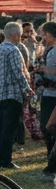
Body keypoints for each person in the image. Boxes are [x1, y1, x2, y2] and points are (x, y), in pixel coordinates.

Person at [0, 22, 32, 170]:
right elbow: (18, 73)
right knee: (9, 130)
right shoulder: (13, 50)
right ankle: (6, 160)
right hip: (12, 95)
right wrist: (27, 90)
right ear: (16, 35)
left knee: (0, 128)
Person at [36, 22, 56, 177]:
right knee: (47, 128)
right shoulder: (48, 49)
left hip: (53, 95)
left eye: (45, 34)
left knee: (48, 127)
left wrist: (44, 69)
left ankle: (52, 165)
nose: (43, 37)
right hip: (48, 93)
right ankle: (51, 162)